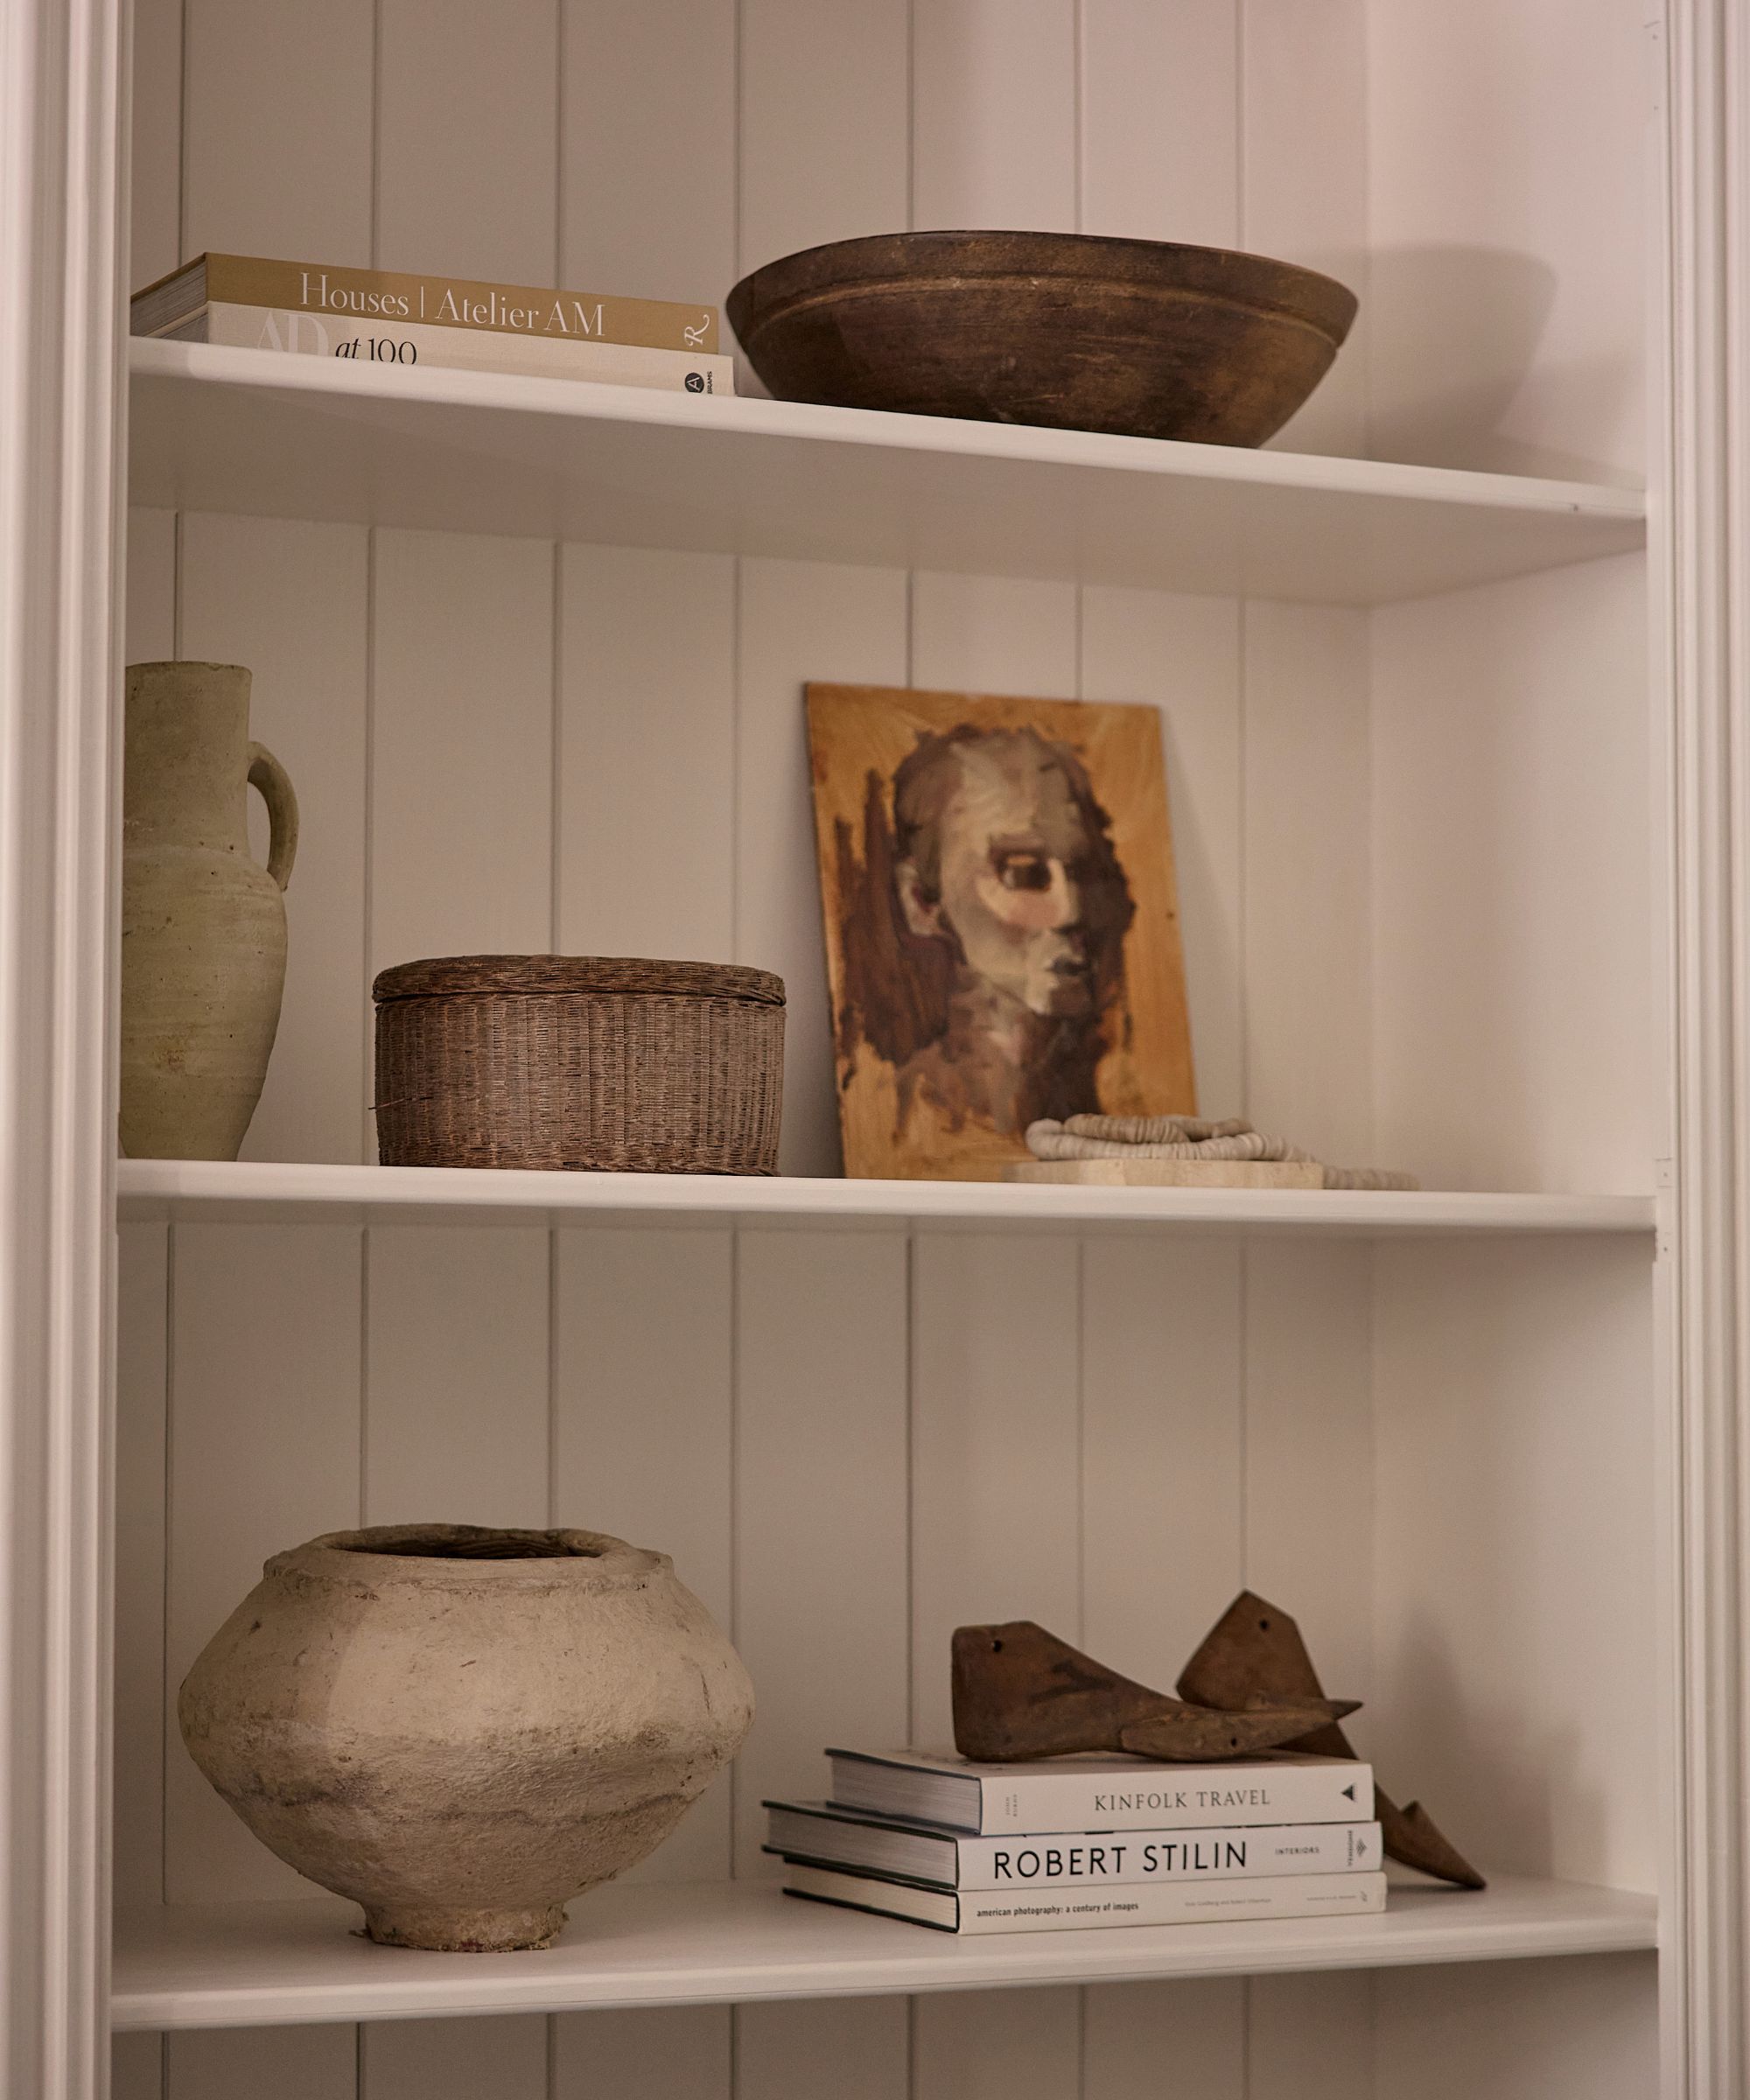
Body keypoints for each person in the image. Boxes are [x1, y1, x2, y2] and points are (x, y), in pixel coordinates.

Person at [885, 724, 1135, 1147]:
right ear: (920, 902)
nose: (1070, 910)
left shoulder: (1122, 1094)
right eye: (1022, 872)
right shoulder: (904, 1122)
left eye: (1085, 871)